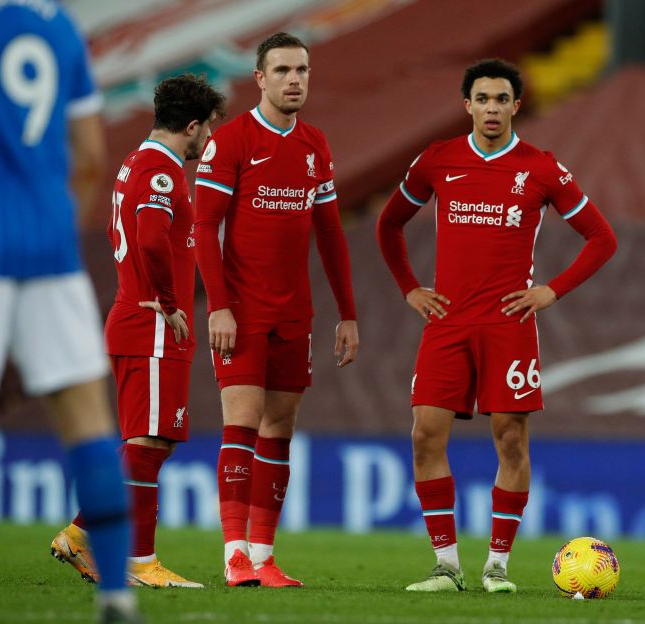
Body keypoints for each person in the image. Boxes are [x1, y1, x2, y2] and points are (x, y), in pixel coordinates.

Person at [376, 58, 618, 593]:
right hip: (447, 322)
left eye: (501, 99)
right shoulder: (438, 160)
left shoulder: (541, 167)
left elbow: (601, 239)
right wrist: (409, 288)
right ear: (467, 105)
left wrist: (551, 289)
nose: (491, 108)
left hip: (508, 325)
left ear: (516, 105)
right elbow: (389, 221)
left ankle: (496, 568)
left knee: (510, 441)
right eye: (482, 99)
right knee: (424, 436)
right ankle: (446, 567)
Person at [0, 1, 139, 622]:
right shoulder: (58, 25)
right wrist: (57, 223)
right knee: (87, 420)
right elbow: (88, 154)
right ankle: (115, 594)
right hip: (50, 250)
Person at [193, 32, 360, 588]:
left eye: (303, 70)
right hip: (241, 311)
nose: (295, 79)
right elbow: (203, 225)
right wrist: (218, 306)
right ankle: (233, 553)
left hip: (296, 314)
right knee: (241, 421)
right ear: (259, 78)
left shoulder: (316, 144)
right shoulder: (233, 140)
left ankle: (264, 557)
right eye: (284, 69)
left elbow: (332, 236)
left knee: (280, 430)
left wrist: (348, 313)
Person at [50, 74, 226, 590]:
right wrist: (169, 304)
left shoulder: (136, 162)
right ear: (191, 126)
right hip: (149, 322)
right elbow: (149, 238)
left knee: (154, 442)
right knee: (147, 440)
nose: (209, 140)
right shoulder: (162, 172)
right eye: (208, 129)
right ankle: (140, 561)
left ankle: (81, 533)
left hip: (138, 317)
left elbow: (119, 233)